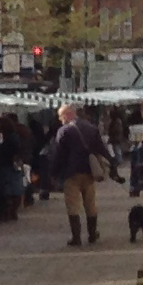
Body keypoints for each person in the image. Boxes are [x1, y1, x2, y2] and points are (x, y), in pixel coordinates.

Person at [46, 104, 114, 245]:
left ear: (67, 114)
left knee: (72, 205)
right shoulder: (91, 128)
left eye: (60, 116)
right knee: (90, 203)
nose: (59, 119)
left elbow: (58, 154)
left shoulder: (64, 131)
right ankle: (92, 234)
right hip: (89, 172)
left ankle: (76, 238)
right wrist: (111, 165)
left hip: (71, 173)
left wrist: (53, 173)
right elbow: (101, 149)